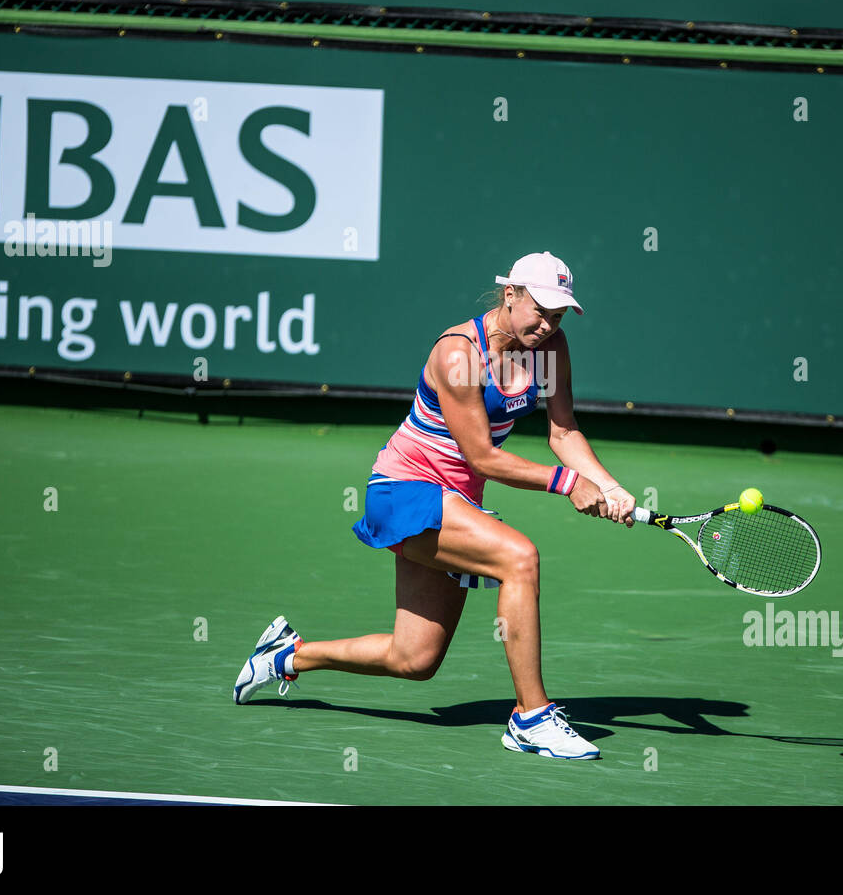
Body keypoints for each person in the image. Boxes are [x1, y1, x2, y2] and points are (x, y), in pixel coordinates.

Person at [233, 251, 636, 760]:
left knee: (414, 658)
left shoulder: (550, 349)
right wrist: (568, 483)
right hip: (403, 491)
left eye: (557, 315)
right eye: (540, 310)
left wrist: (609, 485)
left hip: (455, 503)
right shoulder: (458, 353)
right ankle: (530, 718)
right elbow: (483, 457)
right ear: (510, 294)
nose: (546, 325)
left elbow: (563, 431)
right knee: (520, 558)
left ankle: (286, 656)